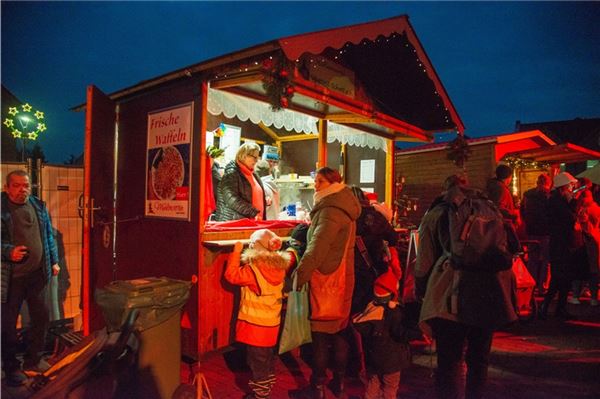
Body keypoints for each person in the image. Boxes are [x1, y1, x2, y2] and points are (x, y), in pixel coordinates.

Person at [415, 174, 517, 399]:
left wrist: (421, 290)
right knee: (479, 359)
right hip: (488, 292)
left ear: (445, 189)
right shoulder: (490, 210)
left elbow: (423, 261)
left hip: (450, 296)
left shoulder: (436, 213)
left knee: (449, 362)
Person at [293, 167, 361, 399]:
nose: (315, 185)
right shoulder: (345, 205)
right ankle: (339, 384)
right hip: (343, 278)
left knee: (321, 337)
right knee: (340, 332)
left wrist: (298, 276)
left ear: (332, 184)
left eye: (320, 181)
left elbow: (317, 249)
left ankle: (317, 387)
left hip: (327, 281)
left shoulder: (331, 210)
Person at [1, 170, 60, 386]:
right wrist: (9, 252)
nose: (22, 190)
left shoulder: (38, 205)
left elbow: (47, 236)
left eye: (25, 185)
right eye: (16, 186)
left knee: (41, 318)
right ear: (7, 187)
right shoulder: (1, 207)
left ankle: (34, 359)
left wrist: (53, 260)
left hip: (37, 275)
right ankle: (11, 368)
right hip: (11, 279)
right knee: (7, 325)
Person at [224, 229, 290, 399]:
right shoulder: (278, 268)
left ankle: (260, 396)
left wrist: (236, 252)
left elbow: (231, 276)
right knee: (266, 361)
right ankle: (265, 389)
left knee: (257, 365)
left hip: (255, 328)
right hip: (271, 326)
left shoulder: (254, 270)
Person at [352, 247, 410, 399]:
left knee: (373, 382)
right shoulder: (394, 313)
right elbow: (400, 334)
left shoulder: (369, 310)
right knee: (390, 387)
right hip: (392, 361)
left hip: (373, 358)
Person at [350, 186, 399, 314]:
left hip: (347, 269)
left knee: (350, 308)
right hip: (371, 268)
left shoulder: (345, 217)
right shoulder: (376, 216)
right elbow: (393, 238)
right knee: (367, 307)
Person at [540, 172, 582, 319]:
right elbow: (570, 219)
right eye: (570, 186)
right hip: (560, 245)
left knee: (562, 278)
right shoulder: (556, 202)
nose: (572, 189)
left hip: (561, 245)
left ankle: (556, 308)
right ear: (562, 187)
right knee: (560, 277)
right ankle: (549, 307)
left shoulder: (555, 201)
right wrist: (573, 203)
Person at [215, 142, 267, 221]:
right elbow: (232, 199)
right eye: (254, 157)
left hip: (253, 223)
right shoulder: (231, 173)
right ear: (244, 156)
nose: (256, 161)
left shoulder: (254, 174)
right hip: (233, 225)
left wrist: (265, 199)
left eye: (258, 157)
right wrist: (253, 212)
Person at [521, 173, 552, 293]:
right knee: (546, 260)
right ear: (547, 183)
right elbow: (551, 214)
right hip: (545, 232)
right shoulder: (548, 196)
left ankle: (531, 285)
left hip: (531, 231)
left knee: (532, 259)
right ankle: (542, 286)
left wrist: (527, 222)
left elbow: (523, 211)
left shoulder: (527, 195)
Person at [573, 189, 600, 306]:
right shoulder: (597, 208)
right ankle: (594, 297)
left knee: (579, 270)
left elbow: (580, 225)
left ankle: (575, 296)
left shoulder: (584, 210)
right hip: (596, 242)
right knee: (594, 271)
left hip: (585, 243)